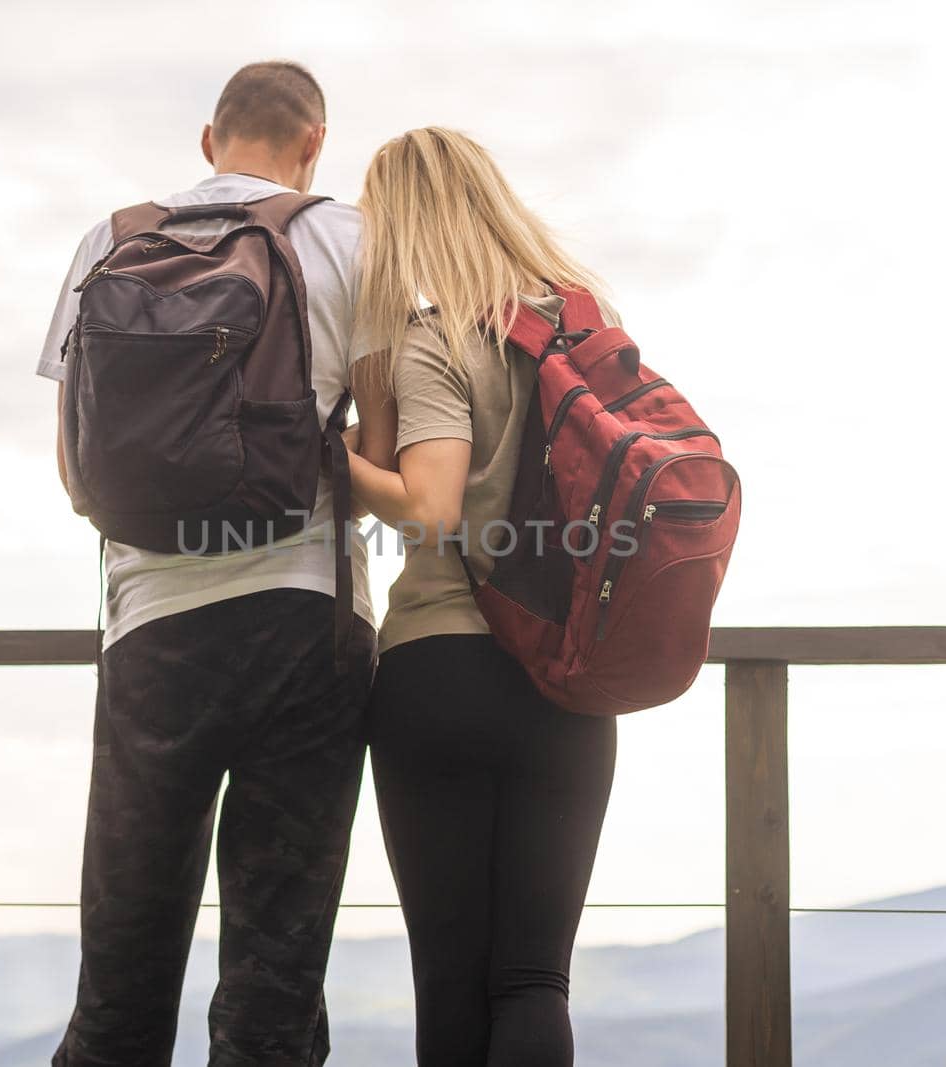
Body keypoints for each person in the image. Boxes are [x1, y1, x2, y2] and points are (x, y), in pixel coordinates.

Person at [36, 61, 376, 1067]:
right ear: (313, 143)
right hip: (305, 619)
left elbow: (73, 461)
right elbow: (389, 446)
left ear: (206, 140)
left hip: (150, 628)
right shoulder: (346, 237)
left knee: (121, 981)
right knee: (272, 984)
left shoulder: (112, 237)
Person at [343, 127, 619, 1067]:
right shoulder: (586, 327)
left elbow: (428, 509)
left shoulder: (435, 339)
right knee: (536, 980)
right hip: (570, 677)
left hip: (440, 667)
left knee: (452, 983)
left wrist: (338, 463)